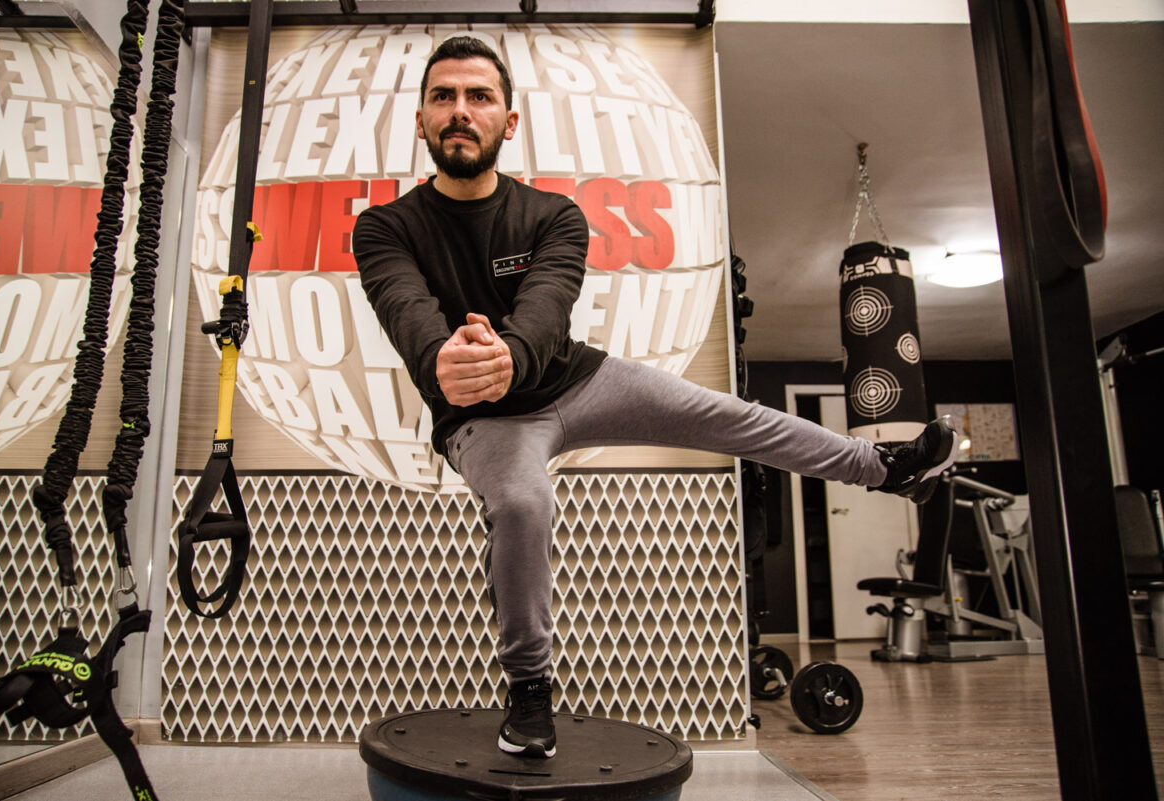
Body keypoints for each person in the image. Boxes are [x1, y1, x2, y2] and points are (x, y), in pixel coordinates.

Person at [353, 35, 958, 759]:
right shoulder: (385, 226)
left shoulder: (554, 216)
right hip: (480, 419)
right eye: (443, 97)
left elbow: (547, 308)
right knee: (521, 502)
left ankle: (888, 469)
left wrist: (508, 355)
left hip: (573, 379)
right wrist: (442, 358)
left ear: (507, 122)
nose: (460, 111)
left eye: (478, 97)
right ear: (420, 119)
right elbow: (406, 311)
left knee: (729, 414)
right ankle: (530, 690)